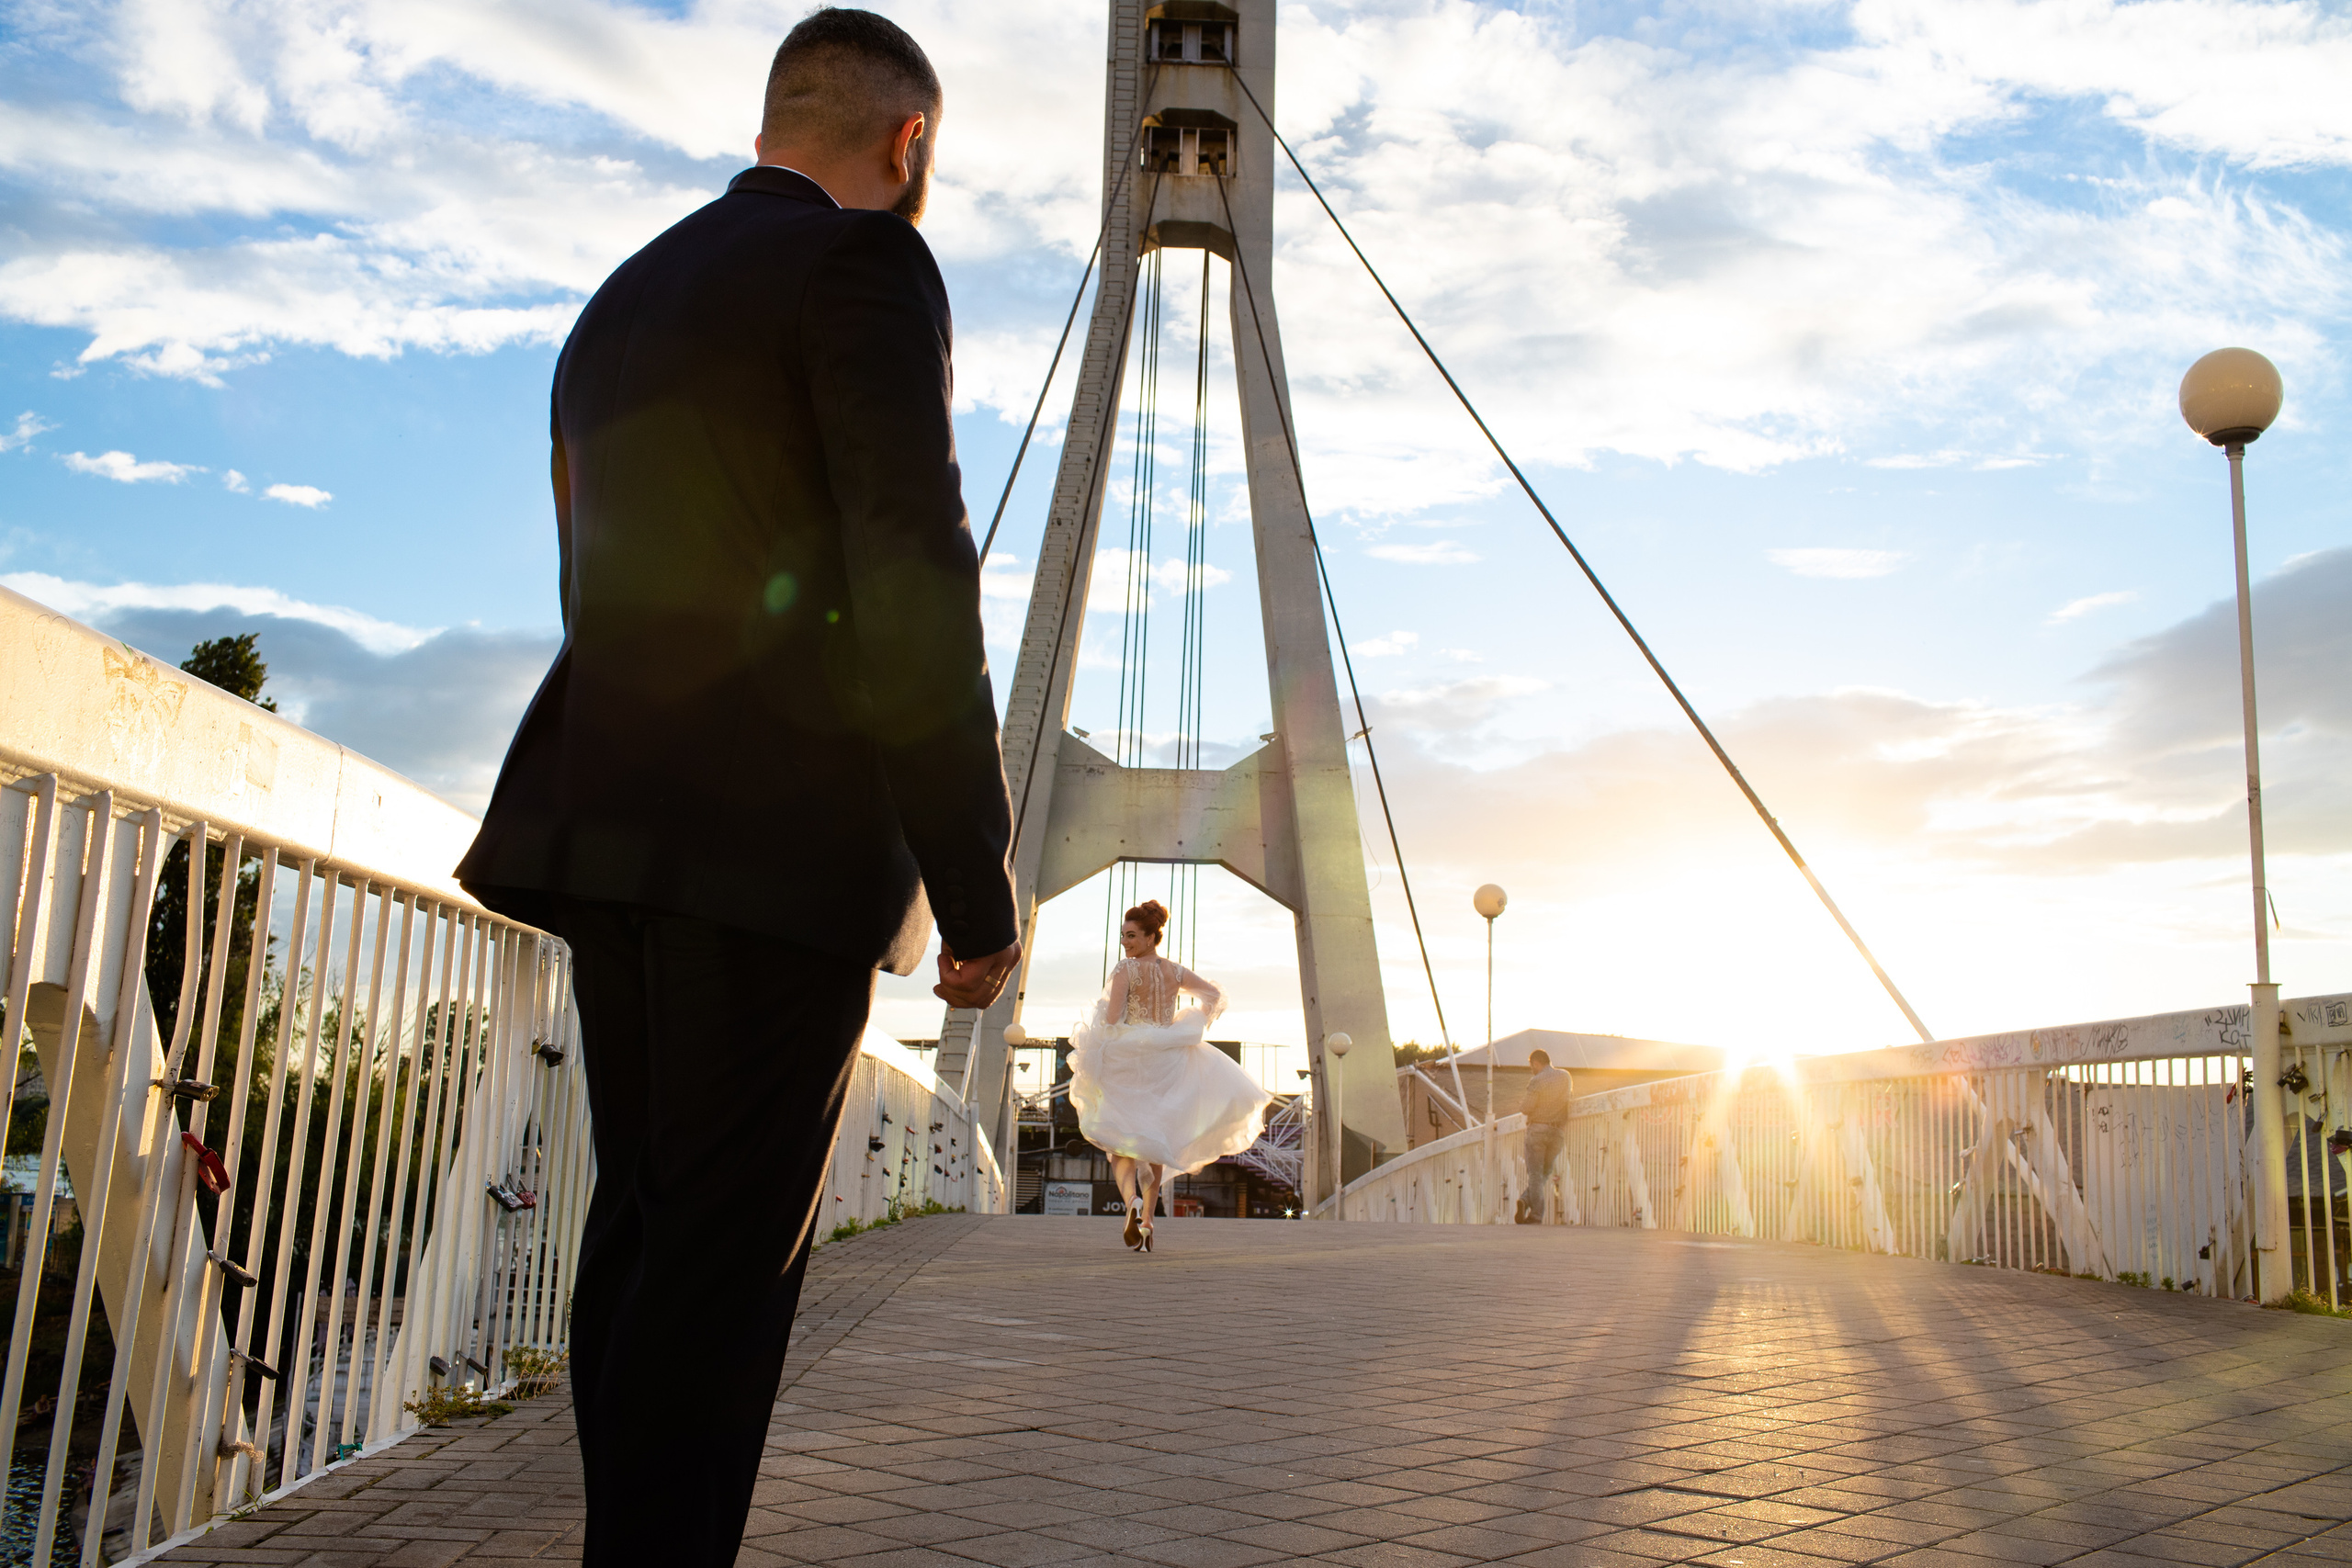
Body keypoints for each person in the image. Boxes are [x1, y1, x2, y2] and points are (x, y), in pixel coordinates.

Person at [453, 12, 1019, 1565]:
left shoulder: (624, 294)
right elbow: (909, 574)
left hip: (602, 823)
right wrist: (973, 884)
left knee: (645, 1241)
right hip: (772, 848)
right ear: (910, 140)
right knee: (718, 1277)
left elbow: (591, 577)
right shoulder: (866, 263)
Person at [1066, 901, 1271, 1251]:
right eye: (1123, 936)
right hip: (1165, 1060)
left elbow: (1113, 1020)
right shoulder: (1175, 971)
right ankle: (1147, 1221)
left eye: (1132, 936)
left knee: (1119, 1142)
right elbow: (1214, 995)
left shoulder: (1125, 969)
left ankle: (1130, 1201)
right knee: (1154, 1140)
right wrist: (1191, 1022)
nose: (1125, 942)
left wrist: (1098, 1038)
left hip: (1129, 1060)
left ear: (1150, 937)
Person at [1516, 1047, 1575, 1224]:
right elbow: (1569, 1098)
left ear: (1535, 1063)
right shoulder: (1565, 1076)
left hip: (1538, 1130)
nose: (1531, 1070)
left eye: (1531, 1066)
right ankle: (1525, 1200)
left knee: (1535, 1174)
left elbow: (1526, 1108)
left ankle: (1536, 1215)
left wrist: (1522, 1104)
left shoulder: (1537, 1080)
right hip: (1557, 1132)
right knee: (1545, 1171)